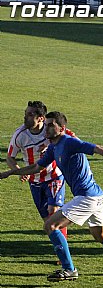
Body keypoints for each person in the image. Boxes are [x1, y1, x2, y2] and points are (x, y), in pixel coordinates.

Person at [0, 111, 103, 281]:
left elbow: (98, 148)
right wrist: (10, 173)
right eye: (45, 124)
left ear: (62, 128)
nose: (46, 128)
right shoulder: (53, 148)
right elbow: (36, 168)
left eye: (51, 125)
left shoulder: (69, 142)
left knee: (50, 225)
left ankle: (69, 269)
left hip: (87, 198)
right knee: (101, 236)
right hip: (96, 197)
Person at [7, 101, 73, 249]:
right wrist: (18, 170)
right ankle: (59, 246)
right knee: (47, 220)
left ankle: (63, 251)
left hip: (54, 176)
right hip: (35, 180)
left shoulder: (51, 129)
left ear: (41, 118)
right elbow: (9, 157)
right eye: (26, 113)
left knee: (54, 212)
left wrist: (51, 146)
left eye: (30, 114)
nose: (26, 117)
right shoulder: (20, 135)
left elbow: (71, 136)